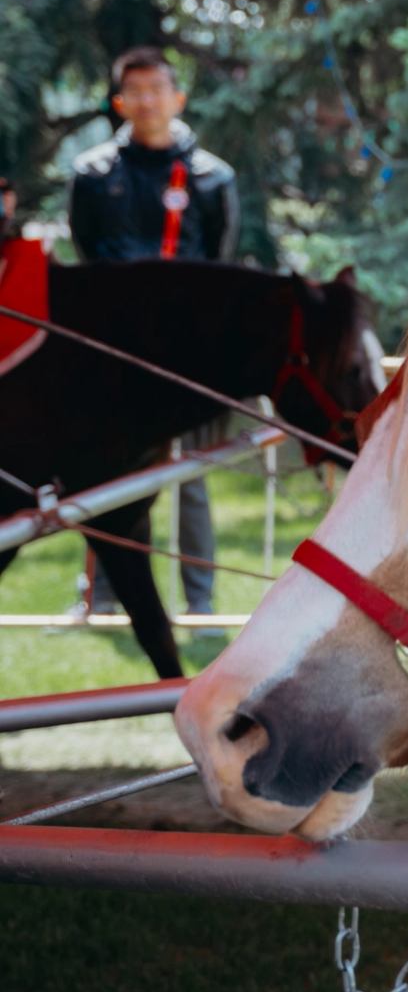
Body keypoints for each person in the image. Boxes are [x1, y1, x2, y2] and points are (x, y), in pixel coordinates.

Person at [68, 46, 239, 615]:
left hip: (184, 350)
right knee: (105, 475)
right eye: (134, 91)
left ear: (177, 97)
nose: (147, 102)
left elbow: (217, 261)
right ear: (119, 102)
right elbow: (89, 253)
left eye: (157, 90)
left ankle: (201, 604)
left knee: (190, 476)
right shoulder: (93, 174)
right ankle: (105, 596)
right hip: (114, 348)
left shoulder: (213, 177)